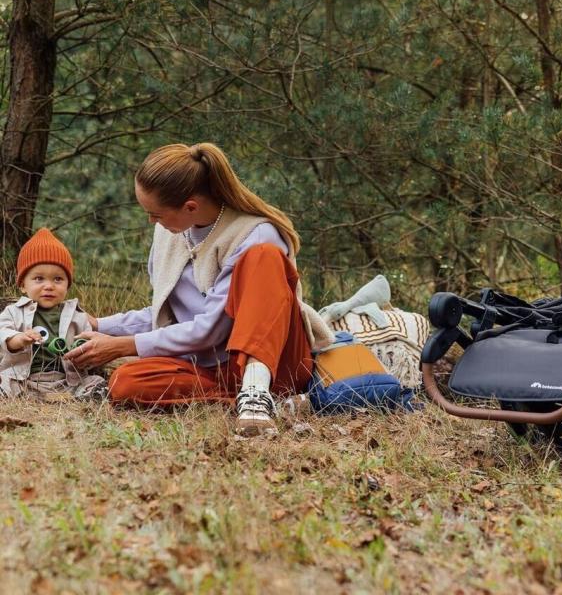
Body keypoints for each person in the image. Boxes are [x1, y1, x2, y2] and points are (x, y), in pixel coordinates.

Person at [65, 142, 333, 432]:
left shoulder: (255, 234)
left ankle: (257, 392)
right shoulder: (170, 232)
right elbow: (168, 315)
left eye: (156, 214)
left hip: (272, 362)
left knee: (264, 257)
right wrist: (100, 324)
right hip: (210, 367)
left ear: (190, 206)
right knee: (125, 382)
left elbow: (210, 329)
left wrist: (122, 346)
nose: (151, 221)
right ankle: (263, 403)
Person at [0, 228, 106, 398]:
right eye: (39, 279)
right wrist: (17, 339)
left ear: (67, 285)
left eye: (58, 279)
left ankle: (90, 394)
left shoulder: (76, 315)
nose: (49, 286)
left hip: (66, 380)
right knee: (5, 381)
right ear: (23, 285)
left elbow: (88, 344)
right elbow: (2, 332)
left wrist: (82, 352)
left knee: (94, 381)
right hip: (23, 379)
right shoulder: (14, 311)